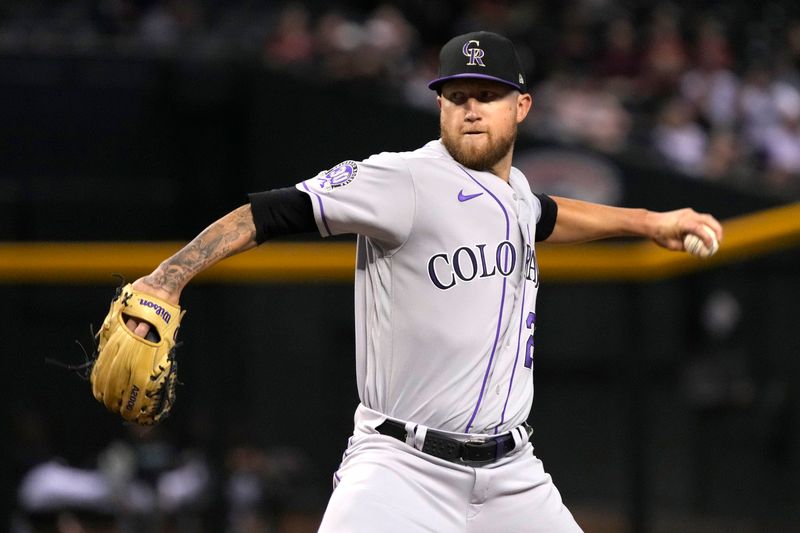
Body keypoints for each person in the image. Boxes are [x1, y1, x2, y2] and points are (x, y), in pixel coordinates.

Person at [124, 31, 723, 532]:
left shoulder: (513, 195)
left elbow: (550, 215)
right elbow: (269, 212)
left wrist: (650, 221)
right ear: (438, 105)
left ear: (522, 107)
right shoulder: (400, 180)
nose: (470, 108)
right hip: (401, 468)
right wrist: (168, 278)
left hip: (512, 475)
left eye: (488, 95)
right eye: (457, 95)